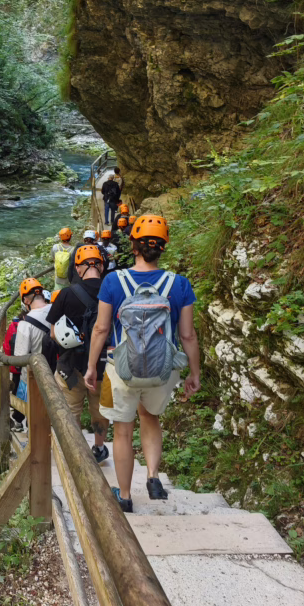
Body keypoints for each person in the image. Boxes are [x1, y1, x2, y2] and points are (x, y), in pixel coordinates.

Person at [84, 215, 202, 514]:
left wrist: (90, 367)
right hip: (163, 371)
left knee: (123, 430)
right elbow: (187, 335)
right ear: (162, 248)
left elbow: (100, 328)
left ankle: (124, 495)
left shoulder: (113, 281)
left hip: (120, 369)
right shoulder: (179, 284)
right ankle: (152, 476)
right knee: (151, 418)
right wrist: (194, 373)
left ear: (134, 246)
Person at [48, 245, 110, 463]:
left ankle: (74, 452)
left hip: (71, 365)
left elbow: (53, 332)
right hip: (103, 367)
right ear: (101, 265)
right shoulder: (112, 291)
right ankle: (99, 448)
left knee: (70, 409)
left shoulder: (66, 294)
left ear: (77, 267)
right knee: (99, 410)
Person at [13, 278, 53, 362]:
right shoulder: (57, 309)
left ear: (26, 300)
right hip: (60, 369)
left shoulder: (25, 324)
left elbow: (19, 357)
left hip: (37, 372)